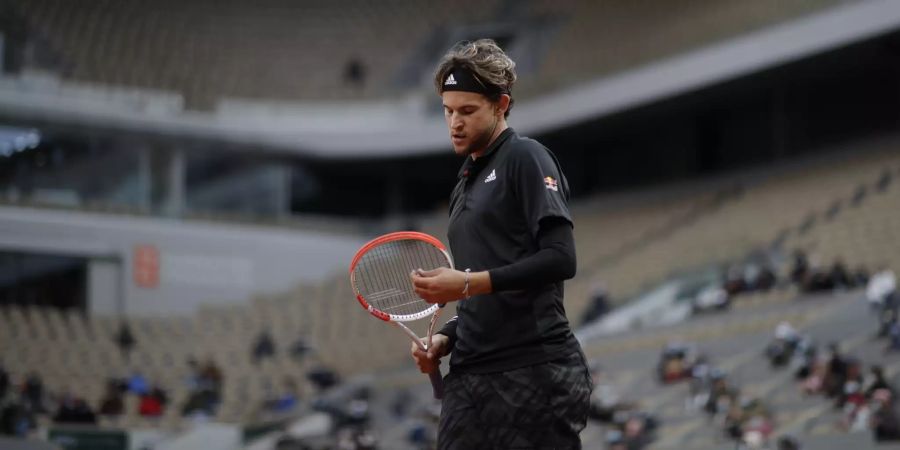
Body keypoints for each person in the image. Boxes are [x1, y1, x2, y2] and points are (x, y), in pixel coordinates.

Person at [410, 39, 592, 449]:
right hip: (470, 374)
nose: (455, 122)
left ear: (501, 104)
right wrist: (447, 339)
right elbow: (479, 285)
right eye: (448, 111)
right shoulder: (463, 183)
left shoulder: (527, 158)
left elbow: (561, 259)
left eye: (468, 111)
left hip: (533, 367)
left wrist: (468, 284)